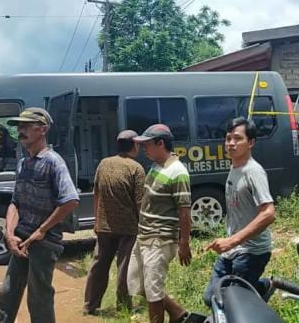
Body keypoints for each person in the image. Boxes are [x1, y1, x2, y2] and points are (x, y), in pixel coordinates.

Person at [0, 108, 79, 323]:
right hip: (20, 240)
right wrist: (9, 234)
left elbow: (70, 200)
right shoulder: (23, 163)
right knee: (7, 294)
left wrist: (41, 231)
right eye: (19, 126)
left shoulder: (53, 162)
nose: (20, 130)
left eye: (26, 126)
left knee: (39, 299)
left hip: (43, 243)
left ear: (43, 130)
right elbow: (15, 202)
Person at [202, 116, 276, 306]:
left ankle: (260, 289)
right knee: (210, 298)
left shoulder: (253, 172)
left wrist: (232, 240)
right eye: (228, 138)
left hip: (251, 251)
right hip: (232, 250)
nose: (231, 143)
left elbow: (268, 212)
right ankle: (261, 287)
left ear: (251, 142)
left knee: (232, 303)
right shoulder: (235, 167)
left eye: (237, 138)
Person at [127, 124, 193, 323]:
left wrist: (184, 244)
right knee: (138, 284)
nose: (144, 149)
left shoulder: (178, 172)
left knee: (154, 293)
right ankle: (177, 313)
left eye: (147, 144)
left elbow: (184, 211)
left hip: (160, 239)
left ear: (160, 143)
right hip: (144, 236)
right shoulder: (156, 165)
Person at [83, 130, 145, 315]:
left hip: (104, 226)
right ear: (134, 145)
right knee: (125, 268)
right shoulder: (136, 169)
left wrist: (96, 220)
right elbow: (140, 202)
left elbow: (96, 194)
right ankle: (124, 306)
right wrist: (145, 227)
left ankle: (89, 306)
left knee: (98, 266)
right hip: (128, 227)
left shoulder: (104, 163)